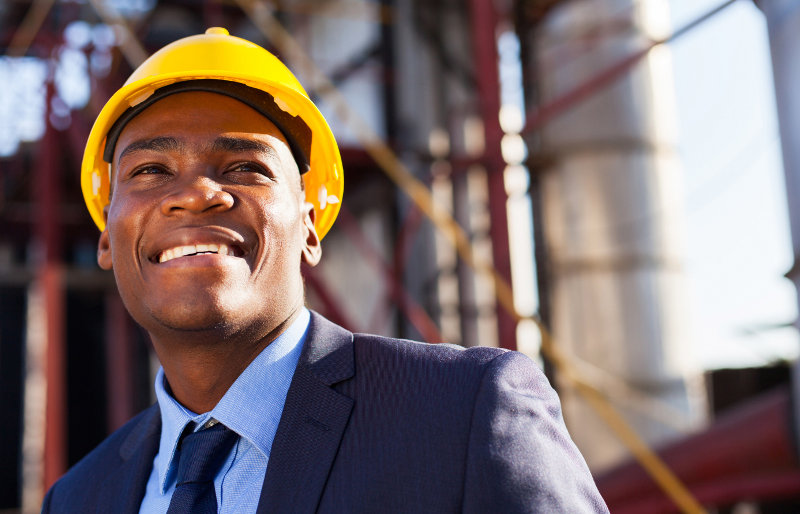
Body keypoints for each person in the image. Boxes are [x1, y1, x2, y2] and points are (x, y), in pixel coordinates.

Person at [41, 28, 608, 513]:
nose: (197, 194)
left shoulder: (464, 413)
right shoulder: (79, 497)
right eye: (150, 170)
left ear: (310, 228)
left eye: (244, 166)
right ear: (106, 240)